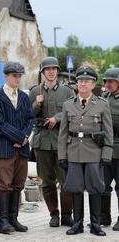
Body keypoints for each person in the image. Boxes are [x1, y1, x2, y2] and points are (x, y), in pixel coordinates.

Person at [58, 66, 113, 236]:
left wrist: (106, 154)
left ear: (93, 84)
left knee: (96, 188)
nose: (82, 83)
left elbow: (108, 132)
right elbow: (63, 134)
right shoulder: (68, 105)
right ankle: (78, 224)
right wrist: (62, 155)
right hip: (74, 152)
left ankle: (95, 224)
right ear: (76, 84)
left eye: (87, 81)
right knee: (75, 188)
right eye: (80, 81)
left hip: (94, 152)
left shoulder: (102, 105)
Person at [0, 61, 35, 234]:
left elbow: (31, 119)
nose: (17, 78)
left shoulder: (23, 96)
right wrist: (17, 137)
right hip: (4, 149)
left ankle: (14, 219)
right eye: (14, 75)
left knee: (18, 184)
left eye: (19, 76)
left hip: (21, 149)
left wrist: (23, 138)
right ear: (6, 76)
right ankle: (3, 222)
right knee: (4, 185)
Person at [29, 57, 75, 227]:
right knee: (47, 181)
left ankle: (67, 215)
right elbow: (29, 115)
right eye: (47, 69)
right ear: (42, 72)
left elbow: (74, 112)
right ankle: (53, 214)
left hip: (62, 142)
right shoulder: (35, 91)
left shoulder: (67, 92)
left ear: (57, 71)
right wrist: (36, 104)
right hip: (42, 142)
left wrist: (57, 118)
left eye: (54, 69)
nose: (51, 72)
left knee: (66, 181)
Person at [100, 68, 119, 231]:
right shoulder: (103, 98)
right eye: (106, 81)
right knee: (103, 185)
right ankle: (104, 216)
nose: (108, 84)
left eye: (111, 81)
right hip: (105, 149)